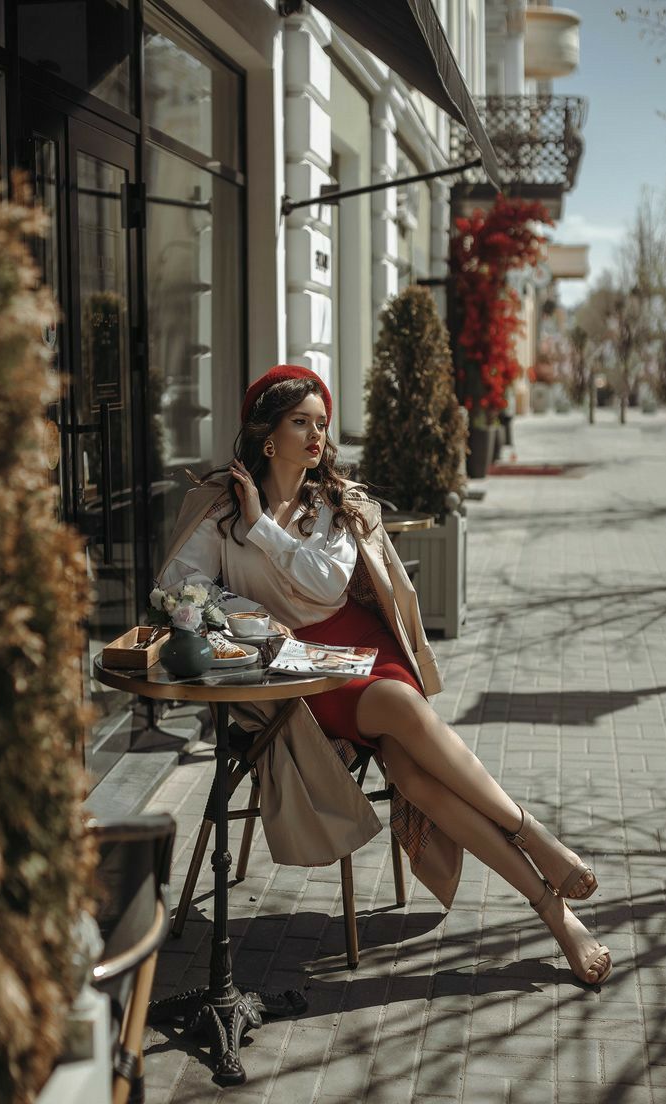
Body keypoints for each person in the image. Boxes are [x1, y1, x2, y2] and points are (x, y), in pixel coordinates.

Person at [160, 364, 612, 986]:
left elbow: (326, 586)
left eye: (322, 423)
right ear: (266, 435)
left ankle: (546, 884)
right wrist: (244, 613)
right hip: (292, 677)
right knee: (415, 774)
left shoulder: (335, 504)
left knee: (412, 754)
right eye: (301, 423)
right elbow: (177, 585)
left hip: (357, 648)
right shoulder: (221, 506)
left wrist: (264, 525)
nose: (318, 435)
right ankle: (544, 876)